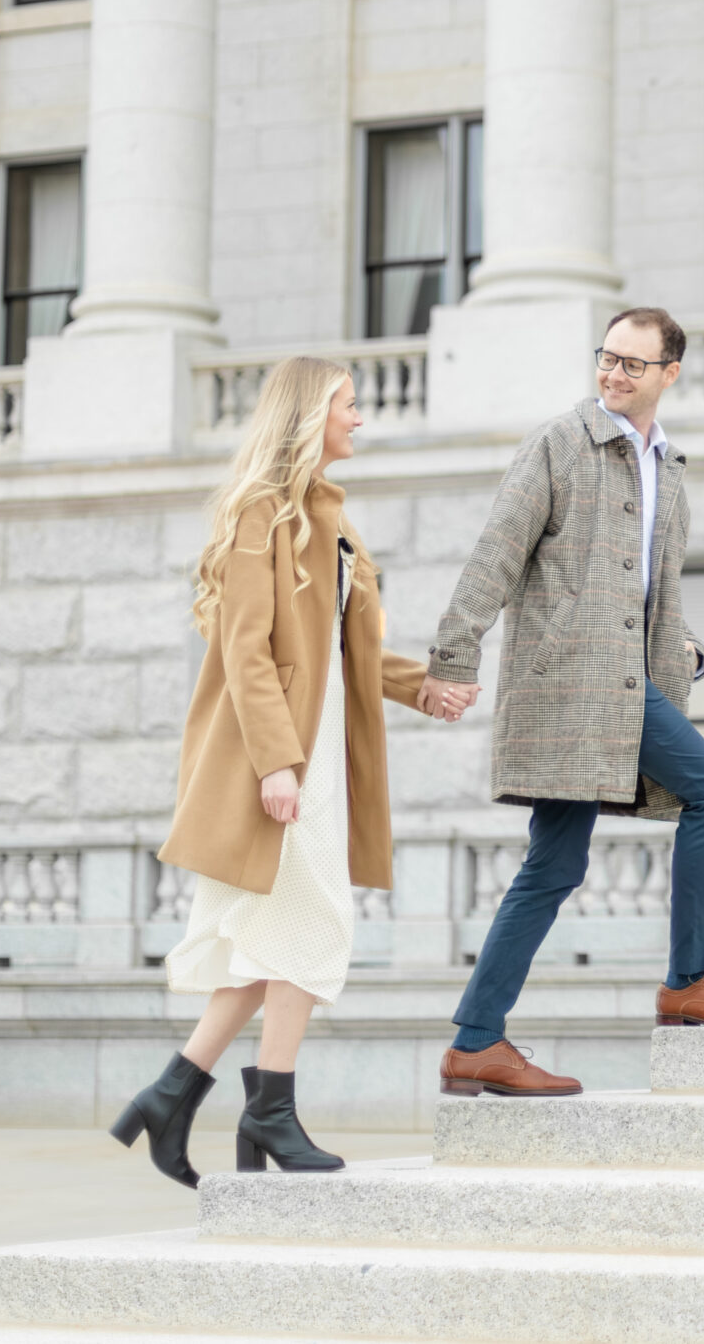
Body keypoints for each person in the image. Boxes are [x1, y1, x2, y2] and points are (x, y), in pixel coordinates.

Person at [112, 356, 468, 1186]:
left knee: (271, 942)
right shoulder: (261, 516)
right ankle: (262, 1109)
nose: (361, 418)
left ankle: (178, 1096)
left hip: (323, 763)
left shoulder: (330, 521)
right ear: (310, 414)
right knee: (311, 930)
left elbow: (347, 655)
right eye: (350, 404)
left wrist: (426, 687)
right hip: (287, 766)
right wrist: (277, 761)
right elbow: (247, 651)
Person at [428, 306, 704, 1098]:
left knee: (553, 864)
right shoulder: (558, 444)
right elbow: (496, 554)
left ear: (669, 374)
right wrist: (453, 654)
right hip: (572, 686)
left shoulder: (668, 464)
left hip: (634, 684)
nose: (613, 372)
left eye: (632, 363)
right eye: (607, 357)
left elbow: (652, 583)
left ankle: (476, 1040)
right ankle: (691, 978)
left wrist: (681, 644)